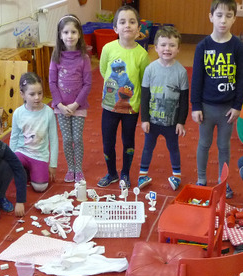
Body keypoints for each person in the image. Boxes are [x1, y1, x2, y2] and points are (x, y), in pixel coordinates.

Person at [191, 0, 243, 199]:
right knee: (204, 144)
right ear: (211, 17)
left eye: (228, 16)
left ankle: (223, 182)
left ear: (234, 18)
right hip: (206, 107)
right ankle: (201, 179)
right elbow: (196, 78)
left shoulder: (238, 47)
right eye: (219, 15)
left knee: (224, 146)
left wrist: (238, 105)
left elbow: (242, 78)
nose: (223, 20)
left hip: (227, 109)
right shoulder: (203, 46)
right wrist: (195, 106)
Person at [96, 5, 150, 189]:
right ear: (115, 28)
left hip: (131, 108)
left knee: (128, 142)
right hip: (109, 106)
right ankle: (111, 173)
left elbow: (143, 81)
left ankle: (125, 173)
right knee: (108, 142)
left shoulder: (142, 55)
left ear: (138, 28)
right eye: (122, 22)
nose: (127, 25)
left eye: (132, 22)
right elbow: (104, 71)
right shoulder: (108, 48)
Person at [137, 25, 189, 191]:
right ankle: (142, 174)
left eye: (172, 45)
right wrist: (144, 119)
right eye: (163, 45)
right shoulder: (150, 69)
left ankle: (176, 176)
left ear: (178, 49)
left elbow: (184, 99)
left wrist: (181, 122)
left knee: (173, 148)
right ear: (156, 47)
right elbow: (145, 96)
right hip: (152, 121)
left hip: (172, 123)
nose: (167, 49)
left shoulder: (181, 72)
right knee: (148, 148)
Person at [49, 14, 92, 185]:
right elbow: (52, 82)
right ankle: (70, 168)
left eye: (73, 32)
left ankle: (78, 168)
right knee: (67, 139)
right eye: (66, 32)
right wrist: (59, 104)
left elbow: (87, 84)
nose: (70, 36)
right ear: (60, 35)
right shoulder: (56, 57)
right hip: (61, 107)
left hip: (78, 106)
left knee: (77, 138)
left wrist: (75, 105)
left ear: (79, 34)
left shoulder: (84, 58)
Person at [9, 72, 59, 193]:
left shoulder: (48, 112)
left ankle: (30, 171)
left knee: (40, 187)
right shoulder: (18, 113)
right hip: (22, 152)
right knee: (6, 167)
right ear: (22, 94)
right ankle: (24, 170)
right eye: (32, 94)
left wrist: (53, 164)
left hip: (39, 155)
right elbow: (14, 137)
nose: (37, 97)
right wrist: (10, 160)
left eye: (40, 93)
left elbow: (54, 139)